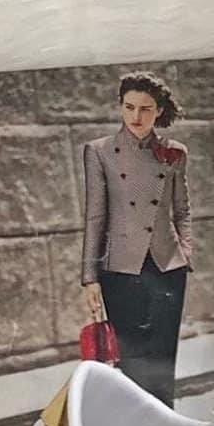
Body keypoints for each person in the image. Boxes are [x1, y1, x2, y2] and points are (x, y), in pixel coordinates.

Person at [81, 71, 192, 407]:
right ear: (120, 106)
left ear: (159, 110)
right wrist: (89, 277)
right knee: (130, 359)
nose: (136, 116)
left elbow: (182, 210)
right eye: (129, 107)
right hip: (120, 269)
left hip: (166, 265)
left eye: (145, 109)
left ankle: (165, 423)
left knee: (163, 359)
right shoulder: (99, 151)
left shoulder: (175, 152)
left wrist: (186, 253)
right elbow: (95, 216)